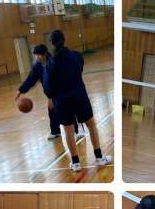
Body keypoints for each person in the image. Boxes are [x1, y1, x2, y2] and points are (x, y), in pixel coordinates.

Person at [43, 29, 112, 172]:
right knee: (91, 125)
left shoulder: (50, 63)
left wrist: (52, 96)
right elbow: (80, 68)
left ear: (51, 44)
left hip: (61, 100)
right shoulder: (76, 56)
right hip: (79, 95)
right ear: (64, 40)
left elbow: (48, 85)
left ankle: (75, 163)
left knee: (68, 131)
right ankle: (99, 157)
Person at [14, 44, 85, 140]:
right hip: (52, 93)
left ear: (44, 54)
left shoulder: (54, 62)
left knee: (68, 110)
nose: (37, 57)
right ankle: (56, 131)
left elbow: (59, 80)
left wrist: (52, 97)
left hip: (64, 90)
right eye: (35, 55)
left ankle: (78, 130)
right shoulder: (38, 67)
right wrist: (20, 90)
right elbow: (31, 79)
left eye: (38, 55)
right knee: (52, 110)